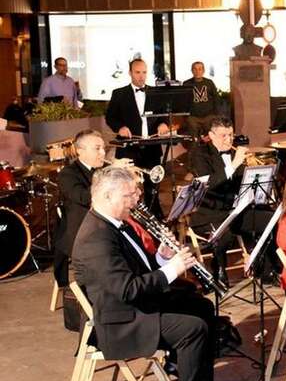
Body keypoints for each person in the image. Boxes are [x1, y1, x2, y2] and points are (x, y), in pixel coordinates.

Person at [71, 167, 236, 381]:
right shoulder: (96, 237)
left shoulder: (116, 224)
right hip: (120, 321)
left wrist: (162, 257)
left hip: (135, 306)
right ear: (107, 196)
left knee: (201, 307)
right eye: (129, 195)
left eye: (135, 193)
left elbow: (139, 268)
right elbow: (128, 289)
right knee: (192, 330)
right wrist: (174, 269)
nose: (136, 200)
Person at [188, 116, 274, 286]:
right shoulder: (199, 153)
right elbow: (209, 185)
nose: (228, 140)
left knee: (271, 220)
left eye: (231, 135)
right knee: (223, 234)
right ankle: (218, 271)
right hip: (211, 211)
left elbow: (244, 183)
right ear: (211, 135)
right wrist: (234, 165)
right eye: (223, 136)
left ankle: (266, 269)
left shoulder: (236, 151)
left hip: (236, 209)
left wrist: (255, 175)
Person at [105, 59, 170, 210]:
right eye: (137, 72)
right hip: (129, 147)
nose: (141, 76)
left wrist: (163, 123)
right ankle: (129, 215)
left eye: (144, 72)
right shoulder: (119, 94)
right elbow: (110, 117)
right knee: (128, 185)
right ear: (130, 73)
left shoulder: (155, 93)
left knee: (152, 185)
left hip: (151, 147)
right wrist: (120, 127)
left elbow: (164, 114)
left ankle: (155, 215)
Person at [52, 130, 107, 288]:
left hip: (102, 224)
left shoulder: (101, 170)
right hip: (80, 230)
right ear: (80, 151)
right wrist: (111, 178)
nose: (103, 153)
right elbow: (84, 197)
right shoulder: (67, 174)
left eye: (103, 148)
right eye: (97, 148)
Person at [182, 61, 220, 139]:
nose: (197, 71)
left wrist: (216, 114)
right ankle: (194, 149)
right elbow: (183, 101)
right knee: (193, 137)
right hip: (193, 117)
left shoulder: (209, 83)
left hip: (209, 116)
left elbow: (216, 99)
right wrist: (186, 116)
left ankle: (212, 150)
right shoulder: (187, 84)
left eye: (200, 69)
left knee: (210, 136)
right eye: (195, 69)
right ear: (192, 70)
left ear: (203, 71)